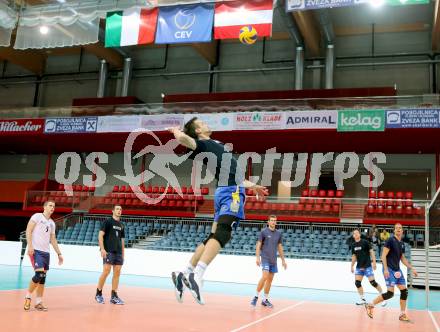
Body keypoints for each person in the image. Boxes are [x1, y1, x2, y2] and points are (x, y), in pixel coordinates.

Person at [170, 118, 268, 305]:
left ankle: (185, 272)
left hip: (227, 189)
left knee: (213, 236)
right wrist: (177, 132)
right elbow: (186, 140)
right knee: (224, 233)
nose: (208, 123)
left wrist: (253, 185)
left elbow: (236, 177)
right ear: (198, 130)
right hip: (231, 192)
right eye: (203, 122)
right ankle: (197, 275)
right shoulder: (203, 144)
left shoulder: (217, 145)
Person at [365, 223, 418, 322]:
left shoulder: (402, 243)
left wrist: (411, 268)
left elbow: (402, 258)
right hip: (389, 269)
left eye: (400, 228)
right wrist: (385, 269)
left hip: (397, 270)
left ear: (402, 231)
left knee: (404, 291)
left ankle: (402, 314)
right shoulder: (390, 240)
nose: (398, 229)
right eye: (396, 228)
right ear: (394, 230)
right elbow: (383, 255)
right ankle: (370, 305)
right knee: (390, 293)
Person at [24, 200, 63, 311]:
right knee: (39, 275)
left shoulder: (52, 223)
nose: (52, 208)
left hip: (46, 252)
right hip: (36, 250)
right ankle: (28, 296)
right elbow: (28, 230)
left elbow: (53, 239)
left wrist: (59, 253)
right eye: (50, 205)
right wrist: (30, 246)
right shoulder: (37, 216)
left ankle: (39, 302)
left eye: (54, 206)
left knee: (43, 279)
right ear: (44, 207)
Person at [250, 215, 287, 308]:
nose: (273, 222)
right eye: (272, 220)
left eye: (275, 220)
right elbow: (258, 245)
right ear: (268, 222)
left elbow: (280, 247)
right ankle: (255, 296)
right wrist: (258, 258)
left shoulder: (279, 233)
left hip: (273, 260)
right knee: (265, 276)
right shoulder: (264, 232)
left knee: (270, 281)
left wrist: (283, 260)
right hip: (265, 258)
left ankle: (265, 300)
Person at [95, 204, 125, 305]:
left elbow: (122, 241)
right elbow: (100, 235)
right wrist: (102, 249)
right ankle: (98, 293)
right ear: (113, 211)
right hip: (109, 251)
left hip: (118, 253)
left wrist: (123, 255)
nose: (119, 211)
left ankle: (114, 296)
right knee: (106, 271)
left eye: (120, 209)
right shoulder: (107, 222)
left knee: (117, 273)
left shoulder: (121, 225)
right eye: (117, 209)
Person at [350, 229, 386, 306]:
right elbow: (354, 256)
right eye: (354, 234)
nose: (355, 234)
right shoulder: (353, 245)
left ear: (359, 234)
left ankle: (383, 297)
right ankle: (363, 300)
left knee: (373, 282)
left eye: (357, 233)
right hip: (359, 267)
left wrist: (374, 262)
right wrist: (352, 266)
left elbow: (371, 252)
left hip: (367, 266)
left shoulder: (365, 242)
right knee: (357, 283)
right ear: (353, 236)